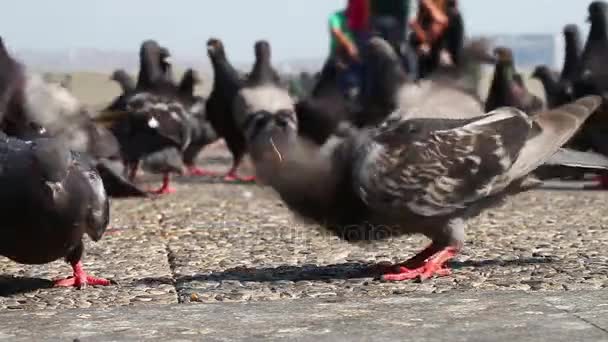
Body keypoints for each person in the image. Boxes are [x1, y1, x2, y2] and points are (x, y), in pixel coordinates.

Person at [328, 0, 370, 98]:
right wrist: (349, 45)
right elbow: (335, 31)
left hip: (359, 55)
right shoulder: (336, 16)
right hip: (341, 54)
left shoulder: (363, 20)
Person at [369, 0, 418, 78]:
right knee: (399, 49)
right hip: (393, 18)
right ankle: (410, 77)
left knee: (380, 52)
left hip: (378, 17)